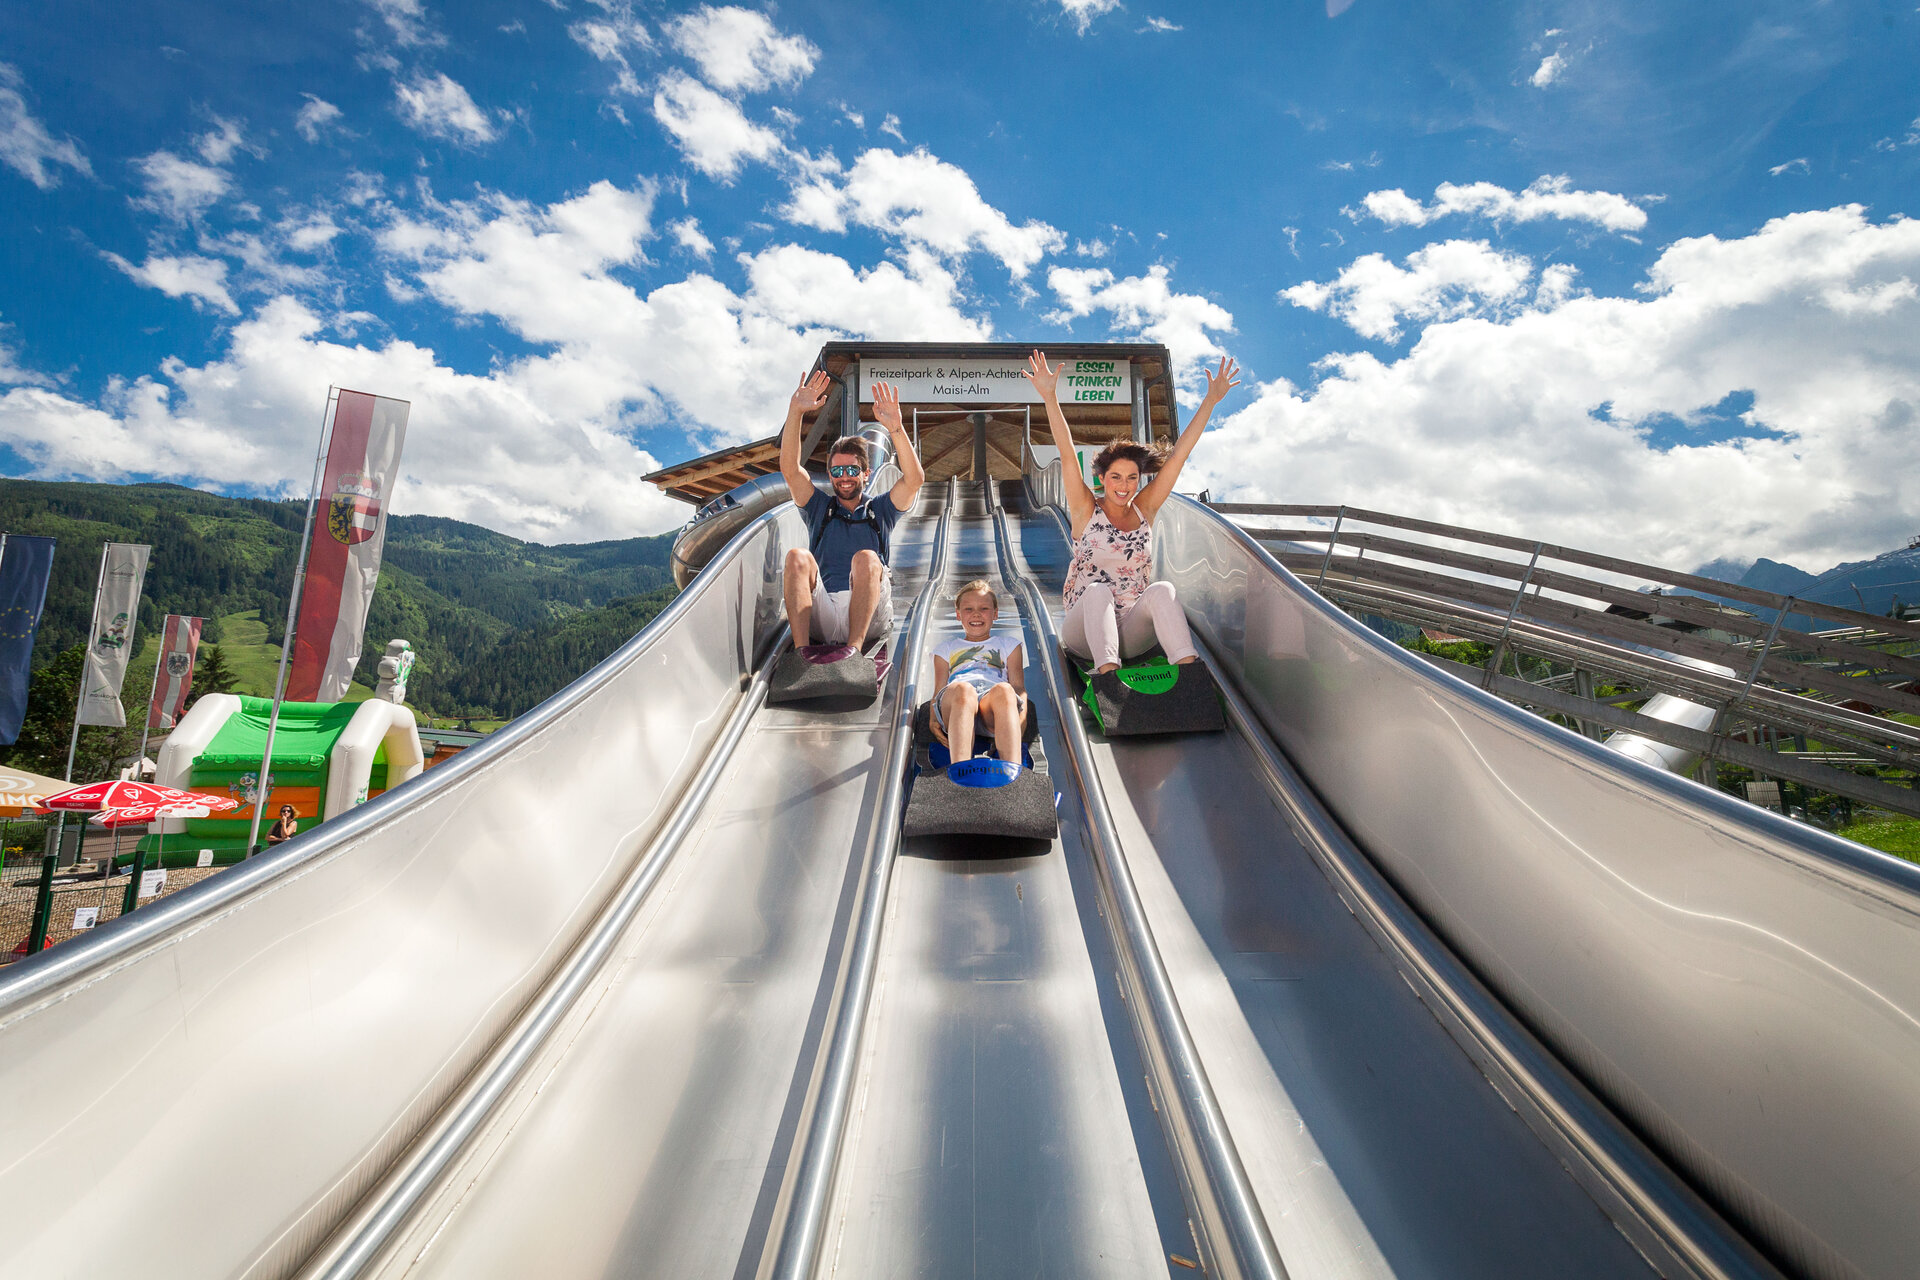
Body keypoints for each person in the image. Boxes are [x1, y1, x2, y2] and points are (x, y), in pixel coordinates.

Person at [1024, 348, 1241, 674]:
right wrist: (1049, 397)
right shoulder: (1086, 511)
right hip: (1084, 632)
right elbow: (1068, 456)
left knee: (1163, 590)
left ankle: (1190, 674)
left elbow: (1179, 456)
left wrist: (1210, 400)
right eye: (1115, 477)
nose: (1123, 486)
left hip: (1132, 629)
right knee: (1098, 591)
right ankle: (1109, 678)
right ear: (1102, 478)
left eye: (1131, 478)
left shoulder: (1144, 511)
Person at [778, 369, 926, 651]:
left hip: (870, 616)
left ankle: (853, 653)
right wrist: (796, 411)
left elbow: (914, 480)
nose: (844, 477)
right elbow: (790, 470)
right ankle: (800, 654)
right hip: (825, 611)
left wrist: (895, 427)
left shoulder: (880, 510)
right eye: (837, 471)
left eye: (851, 470)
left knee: (868, 558)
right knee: (798, 556)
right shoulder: (819, 508)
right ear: (830, 474)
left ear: (866, 473)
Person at [929, 580, 1027, 764]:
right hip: (957, 704)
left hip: (992, 706)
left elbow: (1018, 687)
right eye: (968, 609)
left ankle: (1013, 770)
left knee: (1005, 690)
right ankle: (960, 769)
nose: (976, 614)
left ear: (995, 613)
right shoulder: (945, 649)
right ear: (958, 614)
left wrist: (1022, 718)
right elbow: (938, 690)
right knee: (964, 690)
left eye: (984, 608)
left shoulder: (1009, 645)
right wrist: (933, 720)